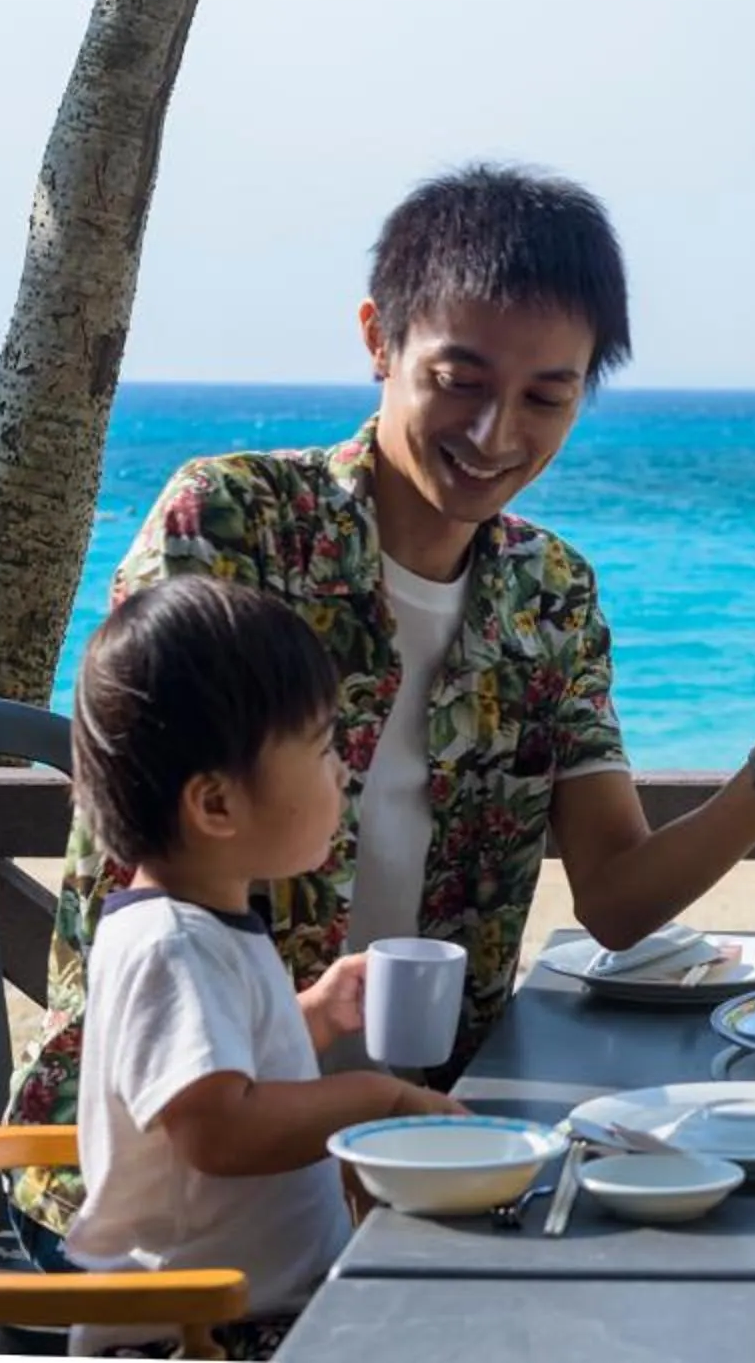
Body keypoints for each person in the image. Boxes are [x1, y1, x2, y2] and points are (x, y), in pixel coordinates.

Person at [9, 163, 755, 1245]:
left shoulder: (549, 593)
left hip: (442, 1153)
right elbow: (144, 841)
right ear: (379, 340)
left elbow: (616, 901)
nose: (496, 433)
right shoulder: (234, 522)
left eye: (546, 398)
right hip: (171, 1199)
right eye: (460, 380)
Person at [61, 574, 466, 1358]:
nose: (341, 772)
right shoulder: (174, 945)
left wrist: (312, 1016)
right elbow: (218, 1131)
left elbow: (217, 1074)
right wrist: (376, 1100)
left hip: (248, 1313)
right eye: (320, 748)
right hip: (198, 1335)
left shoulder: (190, 927)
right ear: (215, 805)